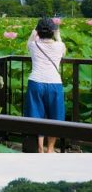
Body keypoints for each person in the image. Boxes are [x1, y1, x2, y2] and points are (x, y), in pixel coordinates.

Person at [25, 17, 66, 153]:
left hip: (35, 82)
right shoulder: (60, 46)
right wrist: (58, 36)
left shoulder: (33, 45)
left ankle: (40, 148)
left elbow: (29, 42)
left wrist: (33, 33)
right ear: (53, 32)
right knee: (55, 117)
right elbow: (63, 51)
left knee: (36, 117)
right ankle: (50, 149)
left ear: (38, 32)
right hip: (54, 84)